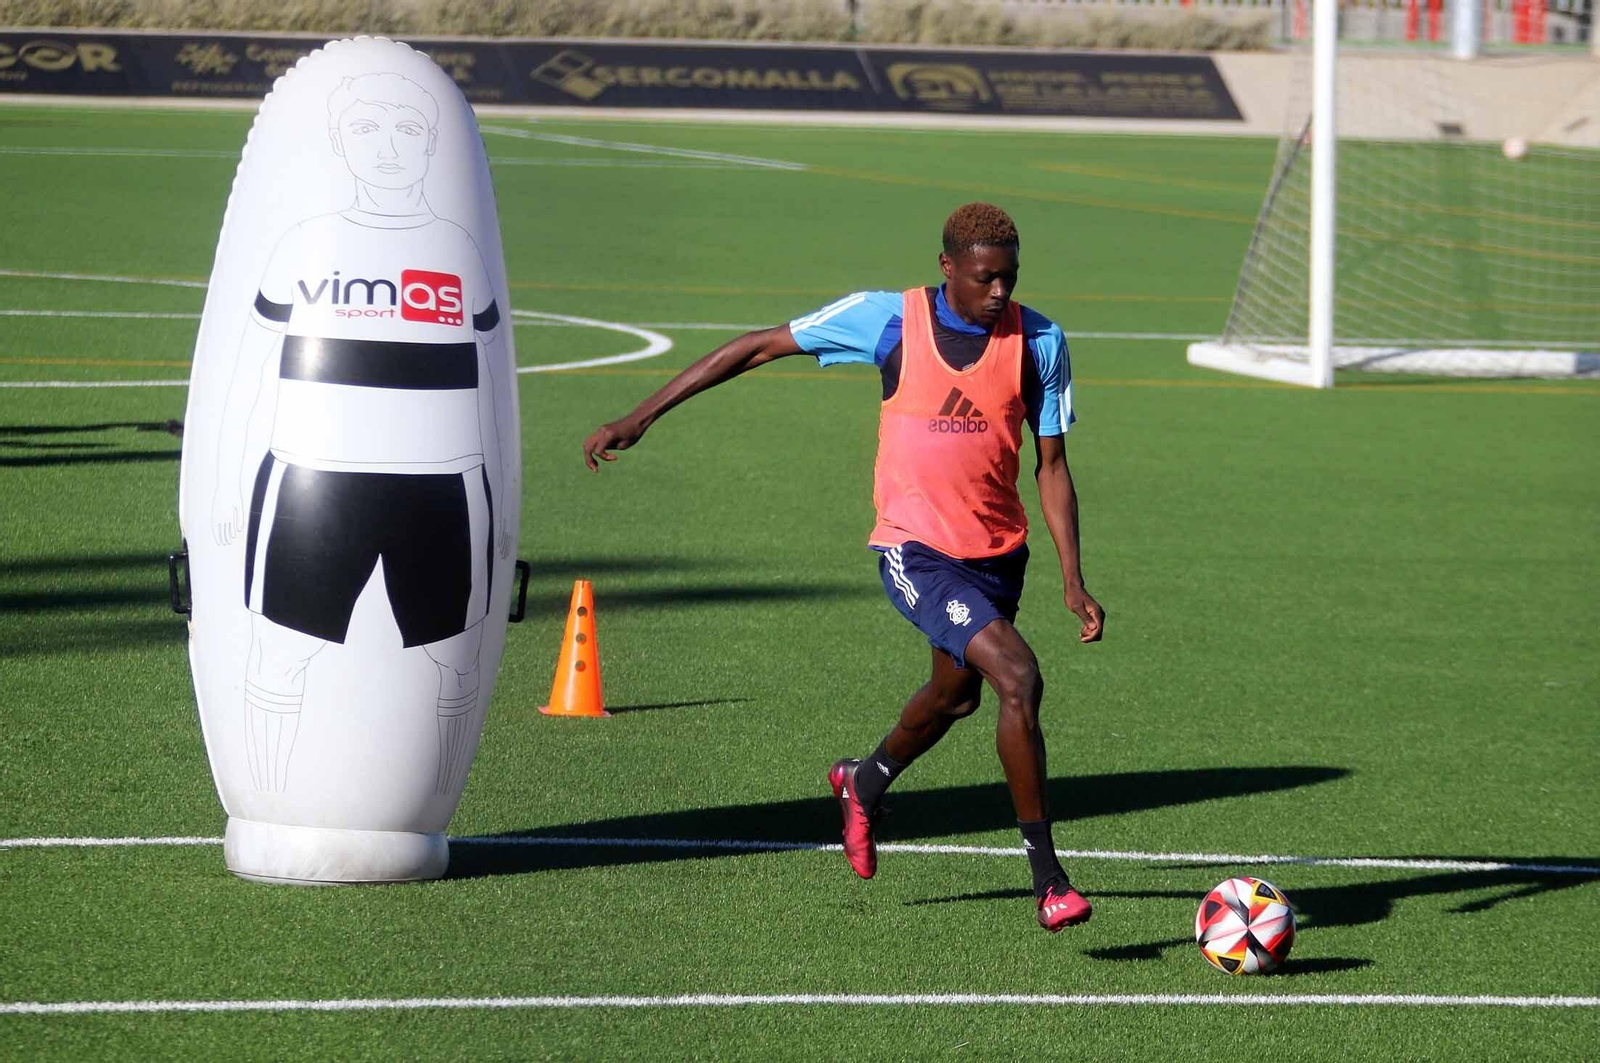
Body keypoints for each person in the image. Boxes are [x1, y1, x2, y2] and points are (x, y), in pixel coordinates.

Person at [581, 202, 1105, 931]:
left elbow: (1052, 466)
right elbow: (760, 346)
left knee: (955, 699)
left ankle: (863, 781)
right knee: (1017, 676)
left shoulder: (1039, 341)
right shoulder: (886, 319)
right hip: (912, 547)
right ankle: (1049, 880)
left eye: (1009, 279)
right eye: (985, 278)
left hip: (996, 553)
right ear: (947, 267)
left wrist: (1072, 575)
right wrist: (643, 413)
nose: (999, 294)